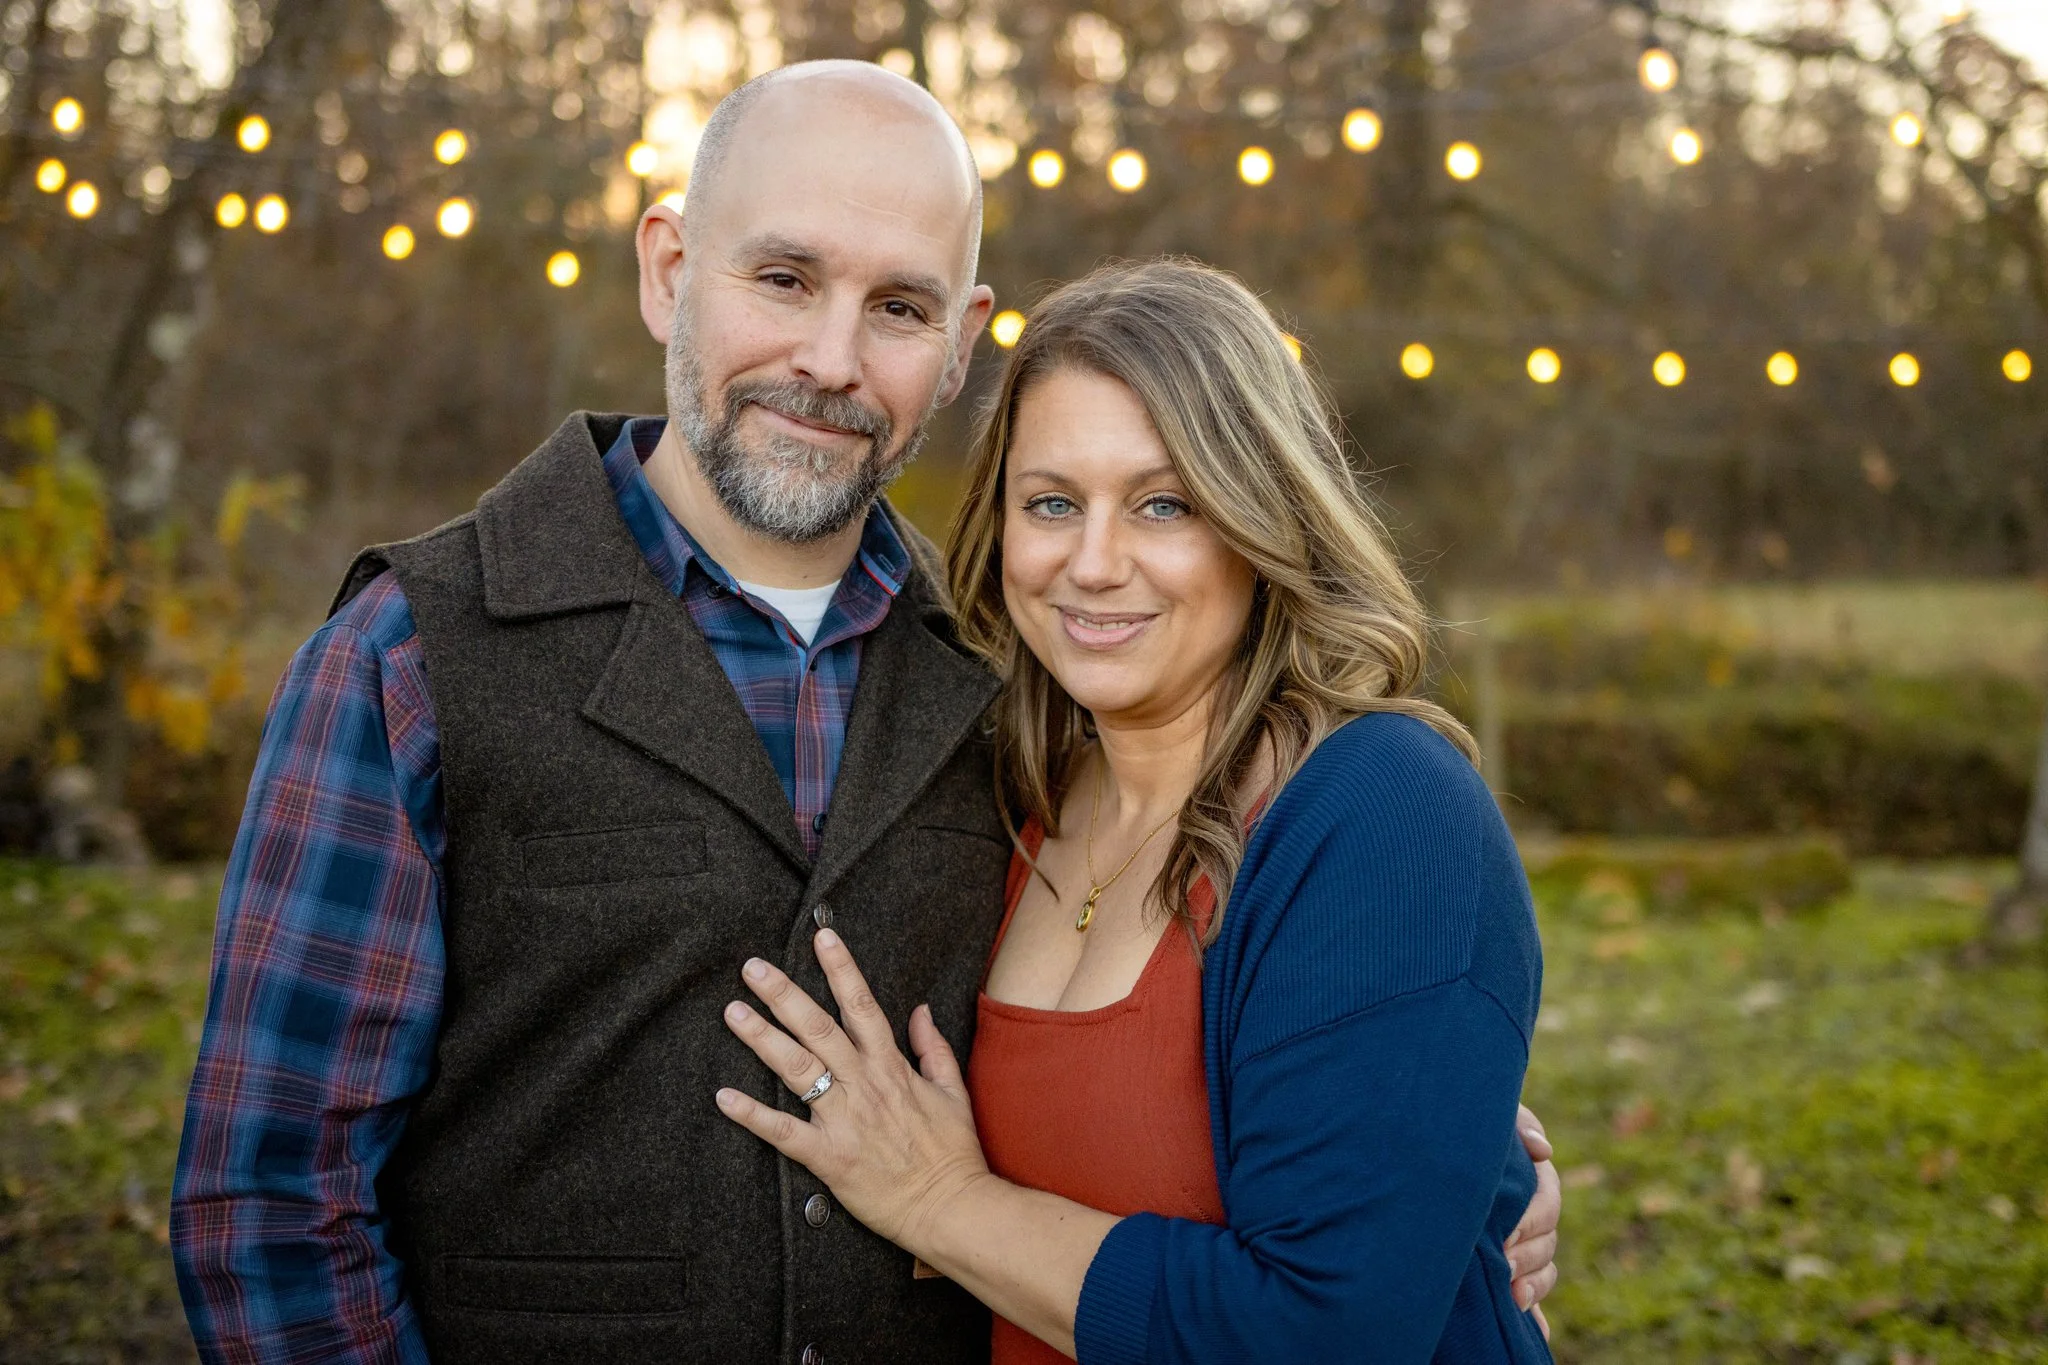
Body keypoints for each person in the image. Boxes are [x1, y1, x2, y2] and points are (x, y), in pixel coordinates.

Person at [170, 62, 1560, 1363]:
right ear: (669, 271)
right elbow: (271, 1205)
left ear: (958, 349)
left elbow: (1276, 1033)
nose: (832, 359)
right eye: (783, 277)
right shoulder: (417, 653)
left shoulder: (1015, 688)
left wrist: (1465, 1168)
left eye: (897, 307)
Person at [711, 258, 1553, 1363]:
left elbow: (1322, 1332)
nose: (1093, 563)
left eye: (1164, 504)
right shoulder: (1006, 799)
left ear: (1264, 520)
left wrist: (938, 1202)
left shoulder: (1378, 809)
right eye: (1050, 503)